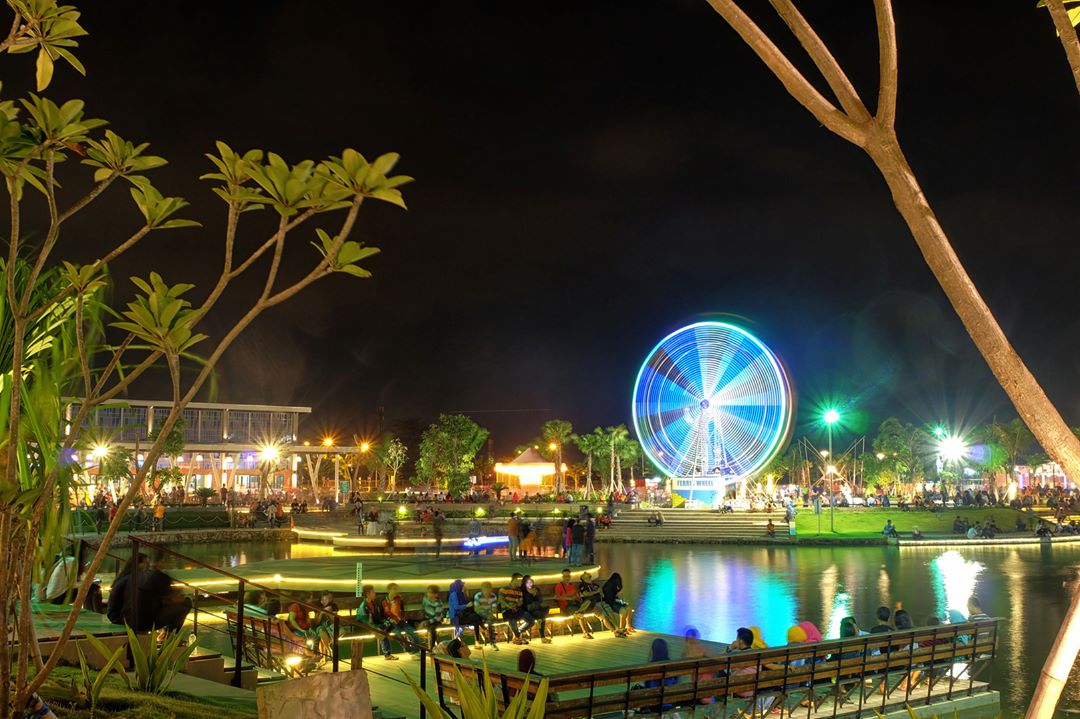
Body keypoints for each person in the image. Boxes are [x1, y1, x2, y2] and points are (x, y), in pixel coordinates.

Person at [134, 552, 191, 635]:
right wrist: (178, 595)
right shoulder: (160, 577)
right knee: (186, 604)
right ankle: (169, 636)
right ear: (161, 562)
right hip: (147, 620)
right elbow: (171, 599)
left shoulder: (144, 575)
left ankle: (167, 634)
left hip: (136, 615)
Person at [106, 552, 148, 627]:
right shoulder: (134, 578)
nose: (147, 566)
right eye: (145, 563)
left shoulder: (126, 576)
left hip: (114, 613)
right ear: (138, 564)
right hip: (119, 617)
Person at [383, 583, 421, 657]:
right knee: (399, 635)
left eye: (397, 589)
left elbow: (401, 611)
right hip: (392, 624)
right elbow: (384, 614)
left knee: (414, 633)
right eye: (394, 589)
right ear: (389, 590)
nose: (396, 591)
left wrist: (403, 618)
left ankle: (415, 651)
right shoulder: (384, 601)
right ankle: (409, 650)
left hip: (401, 622)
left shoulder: (398, 600)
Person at [355, 584, 393, 659]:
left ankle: (387, 653)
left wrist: (384, 621)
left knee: (389, 622)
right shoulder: (363, 606)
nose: (375, 593)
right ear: (367, 594)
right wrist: (375, 627)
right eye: (373, 592)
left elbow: (377, 617)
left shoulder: (373, 603)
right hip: (364, 627)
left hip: (374, 626)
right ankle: (387, 654)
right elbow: (363, 621)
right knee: (382, 630)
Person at [554, 569, 592, 638]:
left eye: (568, 575)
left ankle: (580, 611)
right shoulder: (559, 586)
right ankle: (585, 632)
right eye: (565, 576)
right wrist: (569, 598)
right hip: (566, 606)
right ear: (562, 576)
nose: (566, 577)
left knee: (589, 601)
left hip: (575, 604)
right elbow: (557, 597)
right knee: (580, 613)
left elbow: (577, 595)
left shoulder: (572, 585)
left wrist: (577, 597)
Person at [643, 638, 678, 712]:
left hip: (655, 705)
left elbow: (647, 686)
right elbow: (676, 682)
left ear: (653, 650)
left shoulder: (650, 667)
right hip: (671, 702)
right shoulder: (672, 665)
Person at [499, 573, 534, 645]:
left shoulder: (519, 591)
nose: (521, 582)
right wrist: (510, 607)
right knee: (512, 620)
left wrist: (516, 606)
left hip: (517, 610)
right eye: (520, 581)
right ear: (514, 580)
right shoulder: (503, 589)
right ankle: (518, 637)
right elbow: (501, 600)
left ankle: (518, 634)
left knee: (530, 620)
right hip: (507, 611)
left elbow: (520, 601)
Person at [521, 574, 551, 643]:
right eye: (528, 581)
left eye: (531, 580)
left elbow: (540, 600)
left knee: (545, 609)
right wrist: (531, 593)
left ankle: (539, 622)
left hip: (536, 610)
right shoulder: (522, 590)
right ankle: (543, 638)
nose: (530, 582)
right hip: (527, 610)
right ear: (524, 582)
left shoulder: (536, 589)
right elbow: (526, 602)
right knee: (541, 616)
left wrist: (535, 594)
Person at [473, 581, 500, 650]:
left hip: (489, 614)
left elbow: (494, 608)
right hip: (479, 614)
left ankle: (492, 643)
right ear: (482, 589)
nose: (488, 590)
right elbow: (477, 609)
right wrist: (486, 611)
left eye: (489, 588)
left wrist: (489, 613)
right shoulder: (478, 596)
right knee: (477, 619)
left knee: (490, 621)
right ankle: (484, 632)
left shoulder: (493, 596)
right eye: (486, 588)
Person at [420, 584, 445, 649]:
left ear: (436, 594)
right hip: (426, 618)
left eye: (431, 593)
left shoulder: (438, 604)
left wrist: (426, 622)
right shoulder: (425, 599)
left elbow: (437, 618)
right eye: (428, 592)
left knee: (432, 629)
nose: (429, 594)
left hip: (436, 620)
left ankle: (431, 648)